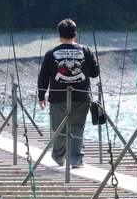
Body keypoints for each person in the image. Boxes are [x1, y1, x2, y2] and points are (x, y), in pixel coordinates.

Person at [37, 18, 100, 168]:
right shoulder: (86, 51)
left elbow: (43, 76)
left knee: (58, 128)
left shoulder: (51, 53)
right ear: (75, 35)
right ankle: (76, 160)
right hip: (81, 96)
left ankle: (59, 158)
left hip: (57, 97)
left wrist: (41, 96)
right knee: (77, 127)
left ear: (59, 35)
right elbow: (94, 73)